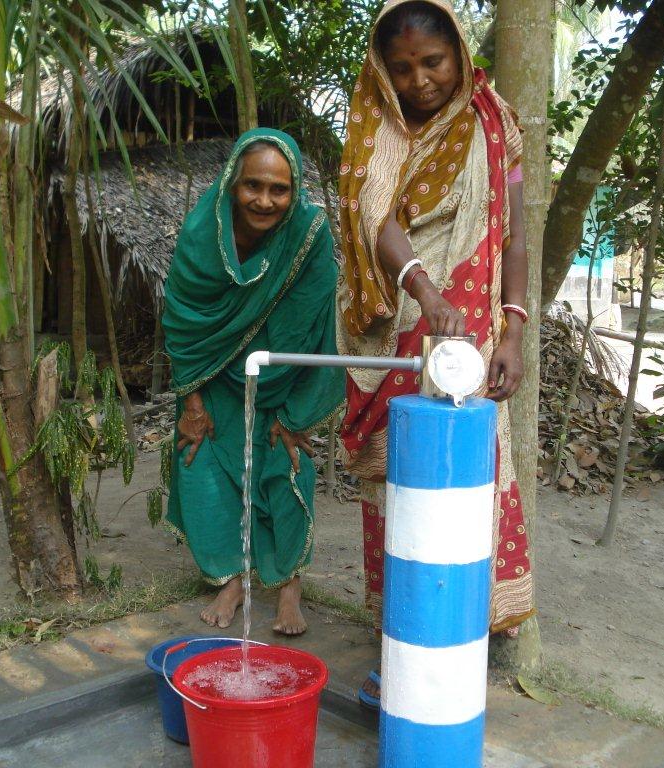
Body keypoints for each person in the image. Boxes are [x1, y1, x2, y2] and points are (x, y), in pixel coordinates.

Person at [336, 0, 534, 705]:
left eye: (433, 62)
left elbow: (513, 231)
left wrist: (512, 328)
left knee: (472, 470)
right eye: (403, 68)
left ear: (459, 51)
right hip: (407, 320)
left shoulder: (494, 121)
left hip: (474, 326)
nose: (420, 80)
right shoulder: (376, 128)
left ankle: (460, 634)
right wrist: (424, 291)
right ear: (383, 73)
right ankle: (401, 631)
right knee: (401, 481)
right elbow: (373, 218)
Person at [162, 128, 343, 636]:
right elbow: (182, 317)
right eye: (253, 186)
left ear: (295, 190)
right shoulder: (204, 230)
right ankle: (236, 578)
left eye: (279, 190)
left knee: (287, 466)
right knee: (200, 463)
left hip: (286, 377)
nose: (264, 200)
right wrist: (193, 402)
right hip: (215, 375)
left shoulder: (309, 232)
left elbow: (311, 316)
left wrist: (294, 410)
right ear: (233, 183)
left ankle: (289, 587)